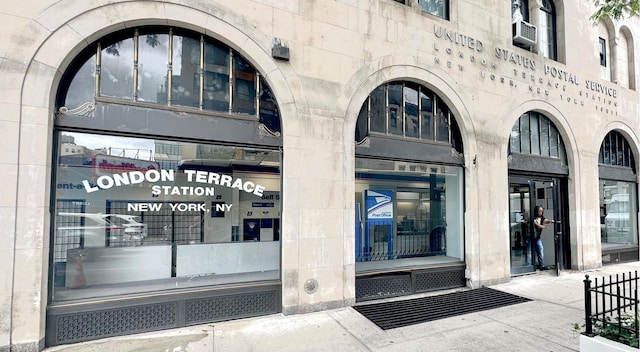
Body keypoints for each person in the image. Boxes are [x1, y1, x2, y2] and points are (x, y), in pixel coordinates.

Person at [532, 205, 554, 270]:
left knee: (540, 249)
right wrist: (544, 227)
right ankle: (529, 266)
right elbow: (536, 224)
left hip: (537, 238)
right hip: (531, 237)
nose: (541, 212)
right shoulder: (533, 217)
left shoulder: (541, 217)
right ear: (537, 211)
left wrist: (551, 221)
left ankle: (541, 265)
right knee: (530, 252)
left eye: (542, 211)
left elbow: (545, 220)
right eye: (539, 211)